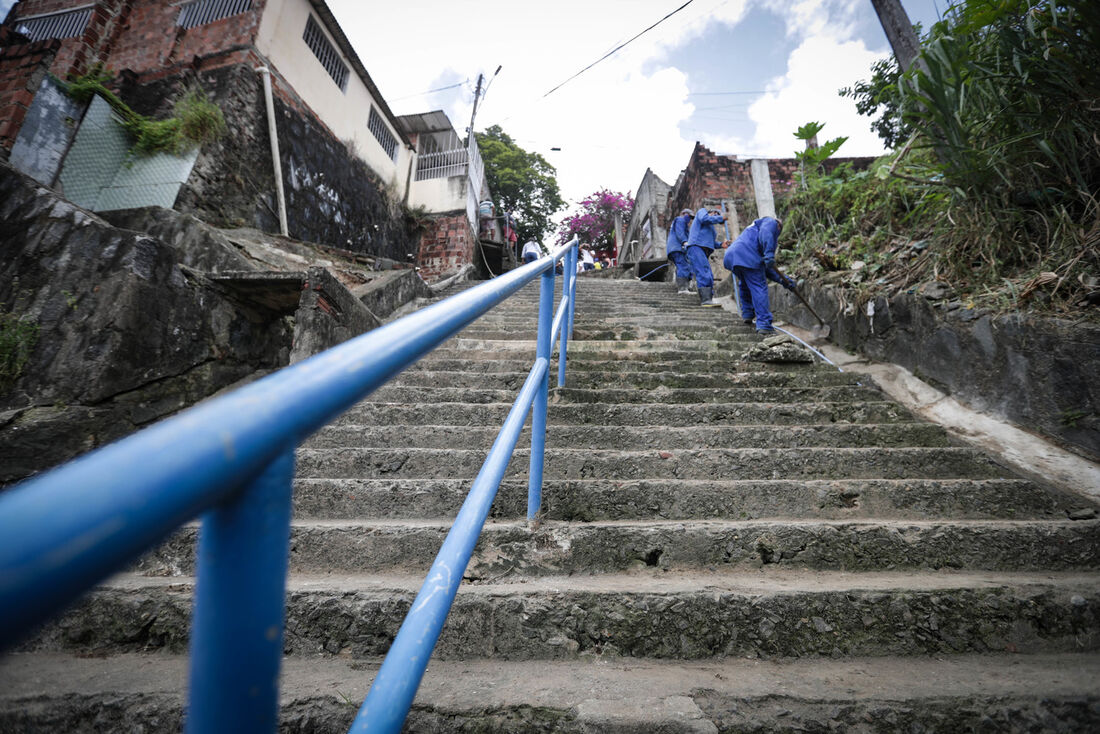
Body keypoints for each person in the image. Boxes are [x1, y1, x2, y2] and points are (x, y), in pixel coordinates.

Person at [722, 216, 795, 334]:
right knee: (758, 286)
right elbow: (767, 232)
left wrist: (784, 281)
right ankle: (764, 324)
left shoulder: (753, 233)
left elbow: (766, 270)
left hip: (732, 257)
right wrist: (770, 254)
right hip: (746, 256)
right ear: (778, 226)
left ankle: (747, 313)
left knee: (745, 283)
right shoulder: (771, 222)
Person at [686, 206, 727, 306]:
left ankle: (708, 298)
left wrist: (721, 244)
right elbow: (705, 219)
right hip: (696, 247)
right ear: (712, 212)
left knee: (708, 274)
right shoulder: (702, 212)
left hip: (703, 250)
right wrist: (721, 218)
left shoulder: (711, 229)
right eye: (716, 215)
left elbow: (711, 243)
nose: (715, 217)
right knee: (703, 272)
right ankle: (705, 300)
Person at [665, 209, 694, 294]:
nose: (690, 219)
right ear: (684, 213)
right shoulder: (680, 220)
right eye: (689, 216)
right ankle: (682, 289)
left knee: (683, 265)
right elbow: (680, 232)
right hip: (677, 247)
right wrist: (684, 241)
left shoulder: (680, 223)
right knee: (683, 265)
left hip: (674, 248)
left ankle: (683, 286)